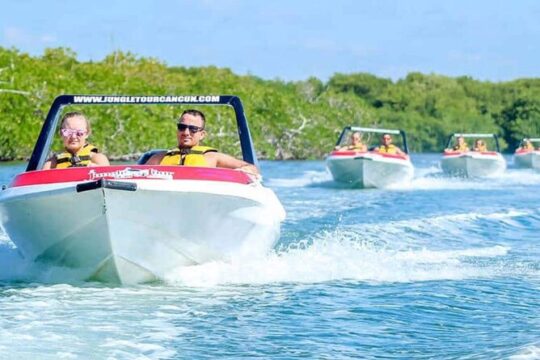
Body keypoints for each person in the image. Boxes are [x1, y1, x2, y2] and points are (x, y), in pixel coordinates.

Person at [146, 109, 259, 175]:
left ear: (202, 135)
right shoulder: (158, 158)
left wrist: (245, 170)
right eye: (182, 127)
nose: (186, 132)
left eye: (193, 129)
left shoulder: (213, 158)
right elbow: (134, 174)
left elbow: (251, 168)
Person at [42, 112, 109, 169]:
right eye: (68, 132)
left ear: (87, 133)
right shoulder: (52, 163)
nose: (73, 137)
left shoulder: (98, 158)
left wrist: (99, 172)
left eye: (79, 133)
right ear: (61, 134)